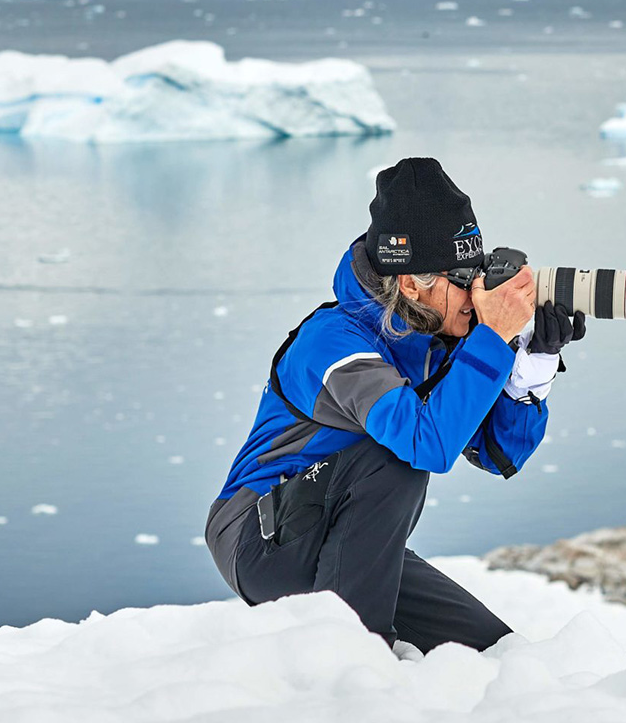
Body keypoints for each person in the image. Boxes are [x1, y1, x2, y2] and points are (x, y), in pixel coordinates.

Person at [205, 157, 584, 652]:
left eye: (480, 273)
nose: (478, 293)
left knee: (495, 652)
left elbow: (496, 454)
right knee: (397, 452)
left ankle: (370, 641)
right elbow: (426, 444)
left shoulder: (433, 336)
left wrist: (530, 370)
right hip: (258, 538)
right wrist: (492, 336)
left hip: (343, 544)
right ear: (411, 283)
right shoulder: (333, 343)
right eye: (464, 278)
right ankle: (357, 660)